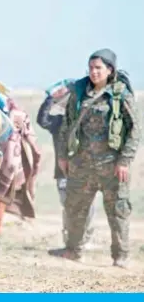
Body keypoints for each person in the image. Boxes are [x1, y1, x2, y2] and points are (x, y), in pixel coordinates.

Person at [50, 49, 140, 268]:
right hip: (81, 165)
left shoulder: (120, 95)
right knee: (75, 209)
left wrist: (124, 161)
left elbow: (135, 130)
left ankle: (120, 256)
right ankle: (73, 250)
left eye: (99, 68)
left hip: (111, 166)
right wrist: (62, 156)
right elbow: (67, 125)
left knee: (118, 212)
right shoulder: (79, 92)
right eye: (91, 67)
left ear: (110, 70)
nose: (94, 72)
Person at [0, 100, 41, 252]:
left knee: (1, 199)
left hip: (10, 165)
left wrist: (32, 160)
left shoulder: (19, 115)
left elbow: (30, 139)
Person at [37, 80, 97, 247]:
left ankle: (86, 238)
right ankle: (71, 239)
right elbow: (42, 120)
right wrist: (50, 98)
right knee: (69, 207)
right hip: (63, 174)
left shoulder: (89, 122)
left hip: (86, 173)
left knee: (87, 206)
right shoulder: (58, 122)